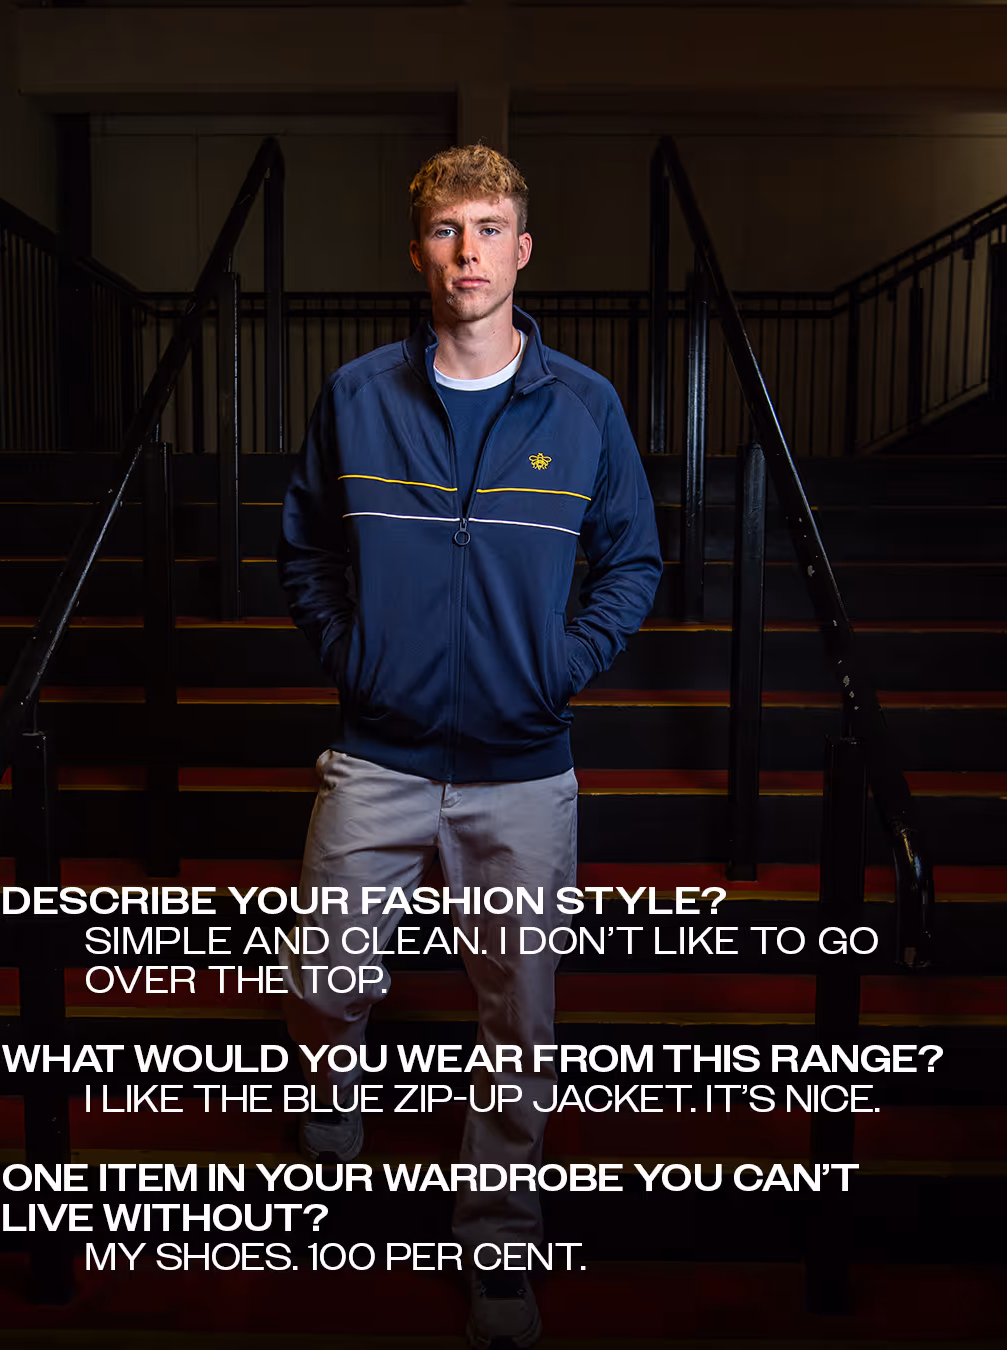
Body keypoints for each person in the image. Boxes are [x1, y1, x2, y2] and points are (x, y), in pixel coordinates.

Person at [278, 143, 662, 1349]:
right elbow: (303, 550)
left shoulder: (587, 407)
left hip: (523, 770)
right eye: (448, 230)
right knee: (326, 978)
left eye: (490, 228)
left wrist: (559, 668)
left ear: (523, 249)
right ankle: (331, 1114)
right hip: (378, 755)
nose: (468, 253)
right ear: (417, 251)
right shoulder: (356, 395)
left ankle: (497, 1237)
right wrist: (359, 660)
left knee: (520, 1016)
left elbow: (635, 562)